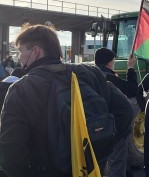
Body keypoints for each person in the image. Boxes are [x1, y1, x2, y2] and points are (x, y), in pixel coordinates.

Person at [0, 24, 133, 177]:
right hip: (89, 169)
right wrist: (100, 151)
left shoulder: (21, 89)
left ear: (35, 52)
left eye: (21, 51)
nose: (19, 57)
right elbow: (126, 110)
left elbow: (10, 153)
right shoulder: (90, 74)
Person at [94, 47, 138, 177]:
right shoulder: (110, 78)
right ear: (109, 62)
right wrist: (130, 68)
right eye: (113, 62)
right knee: (117, 165)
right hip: (112, 127)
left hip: (93, 126)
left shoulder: (89, 76)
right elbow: (131, 90)